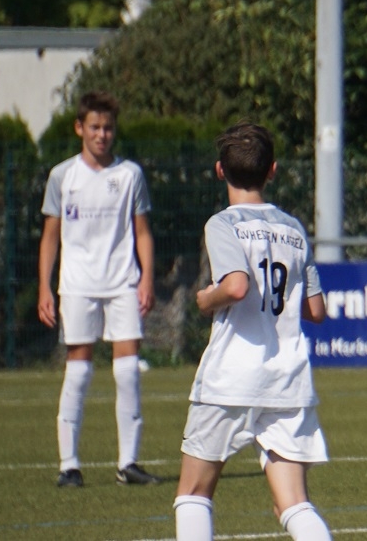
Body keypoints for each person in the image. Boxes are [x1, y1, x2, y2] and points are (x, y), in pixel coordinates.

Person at [173, 122, 332, 541]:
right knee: (293, 503)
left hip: (231, 377)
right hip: (287, 381)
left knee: (194, 493)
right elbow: (316, 310)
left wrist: (206, 299)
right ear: (272, 170)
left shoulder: (223, 224)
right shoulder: (294, 229)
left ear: (219, 170)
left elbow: (236, 286)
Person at [38, 91, 161, 487]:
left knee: (127, 372)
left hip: (122, 281)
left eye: (108, 128)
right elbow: (50, 236)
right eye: (94, 127)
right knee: (78, 370)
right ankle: (69, 465)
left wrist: (146, 277)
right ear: (79, 128)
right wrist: (45, 287)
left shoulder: (130, 175)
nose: (102, 134)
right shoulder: (62, 176)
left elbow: (142, 231)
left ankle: (128, 463)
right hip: (77, 285)